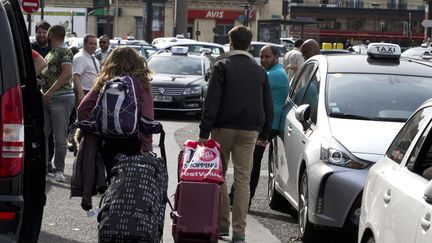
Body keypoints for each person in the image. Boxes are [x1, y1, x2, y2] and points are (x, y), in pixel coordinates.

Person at [198, 26, 273, 243]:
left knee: (219, 176)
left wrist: (204, 131)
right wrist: (265, 133)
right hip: (250, 130)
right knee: (243, 179)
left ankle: (222, 225)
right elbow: (267, 104)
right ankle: (239, 232)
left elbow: (212, 101)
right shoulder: (259, 71)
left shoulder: (221, 65)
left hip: (222, 128)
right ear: (250, 44)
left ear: (230, 42)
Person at [77, 46, 154, 181]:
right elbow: (147, 116)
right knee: (130, 180)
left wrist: (92, 129)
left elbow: (82, 109)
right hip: (133, 140)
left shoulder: (104, 81)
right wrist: (147, 144)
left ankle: (110, 198)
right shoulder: (141, 82)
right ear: (136, 61)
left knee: (112, 177)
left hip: (107, 139)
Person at [230, 45, 289, 209]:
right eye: (261, 56)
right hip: (269, 123)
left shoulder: (273, 75)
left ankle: (241, 200)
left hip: (266, 125)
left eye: (267, 57)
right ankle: (239, 198)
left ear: (276, 57)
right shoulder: (276, 73)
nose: (263, 60)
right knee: (251, 162)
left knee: (251, 163)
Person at [40, 25, 75, 182]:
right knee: (44, 133)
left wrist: (50, 92)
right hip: (48, 98)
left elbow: (67, 74)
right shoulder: (52, 51)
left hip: (60, 98)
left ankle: (59, 170)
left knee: (59, 136)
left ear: (52, 34)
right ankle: (46, 165)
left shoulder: (65, 51)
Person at [72, 34, 99, 105]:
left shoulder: (93, 58)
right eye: (91, 43)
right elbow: (76, 76)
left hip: (92, 92)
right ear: (84, 44)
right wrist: (80, 93)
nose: (94, 46)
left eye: (95, 44)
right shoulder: (80, 57)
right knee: (83, 115)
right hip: (84, 92)